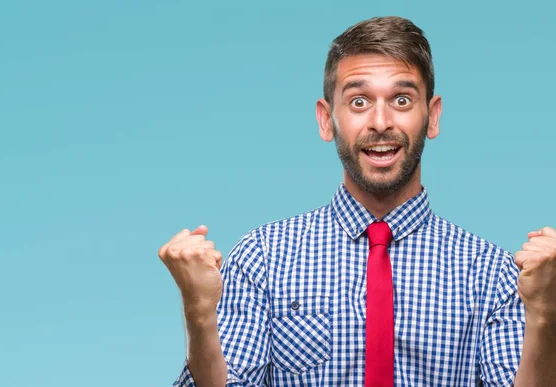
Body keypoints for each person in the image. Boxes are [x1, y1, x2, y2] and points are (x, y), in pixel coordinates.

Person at [158, 16, 556, 386]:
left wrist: (545, 313)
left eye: (401, 100)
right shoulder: (262, 258)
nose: (380, 122)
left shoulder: (491, 274)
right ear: (325, 119)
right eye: (359, 101)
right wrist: (198, 313)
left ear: (432, 117)